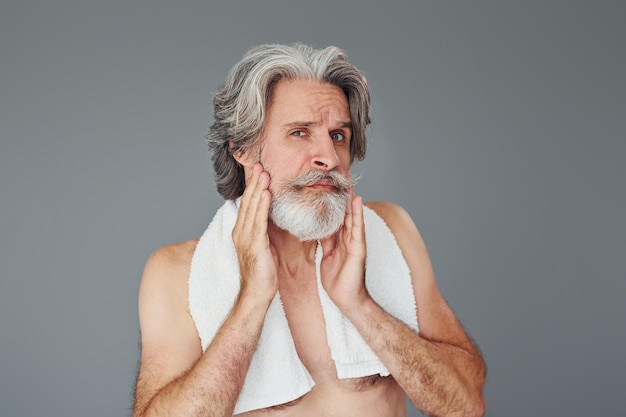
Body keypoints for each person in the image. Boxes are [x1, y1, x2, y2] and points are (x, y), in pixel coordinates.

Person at [132, 43, 486, 417]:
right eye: (300, 132)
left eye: (338, 135)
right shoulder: (176, 273)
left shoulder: (389, 233)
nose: (329, 158)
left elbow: (465, 405)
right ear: (244, 150)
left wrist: (360, 305)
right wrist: (252, 298)